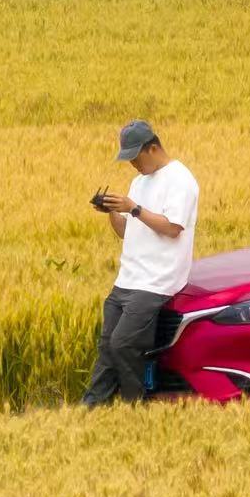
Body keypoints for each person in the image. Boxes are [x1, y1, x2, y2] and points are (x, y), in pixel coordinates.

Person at [84, 120, 200, 406]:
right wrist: (112, 212)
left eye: (136, 156)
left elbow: (173, 227)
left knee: (123, 344)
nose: (133, 164)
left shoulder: (180, 179)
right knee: (108, 347)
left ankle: (134, 407)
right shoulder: (139, 181)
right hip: (128, 278)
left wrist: (133, 208)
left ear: (153, 147)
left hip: (157, 281)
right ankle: (91, 409)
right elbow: (127, 231)